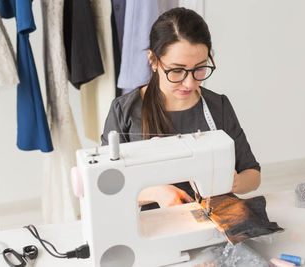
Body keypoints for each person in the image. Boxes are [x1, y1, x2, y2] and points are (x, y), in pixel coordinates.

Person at [101, 7, 260, 209]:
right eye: (177, 70)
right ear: (153, 60)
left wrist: (234, 182)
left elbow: (253, 175)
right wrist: (157, 193)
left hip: (215, 218)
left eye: (200, 68)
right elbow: (109, 188)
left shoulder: (218, 106)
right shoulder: (124, 111)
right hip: (154, 226)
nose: (189, 83)